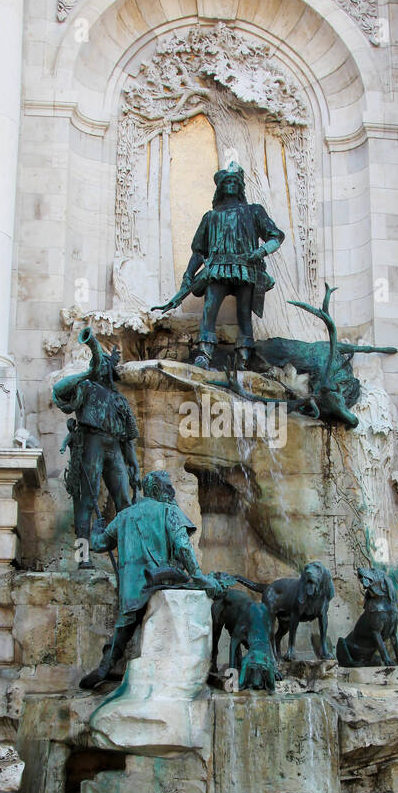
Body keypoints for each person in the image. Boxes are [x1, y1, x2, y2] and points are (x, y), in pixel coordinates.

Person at [79, 470, 218, 690]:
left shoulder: (125, 515)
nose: (172, 491)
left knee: (124, 625)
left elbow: (98, 544)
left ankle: (106, 665)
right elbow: (182, 546)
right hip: (162, 581)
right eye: (167, 486)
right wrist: (198, 575)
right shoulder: (169, 511)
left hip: (131, 590)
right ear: (156, 489)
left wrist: (96, 528)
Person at [153, 162, 284, 370]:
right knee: (209, 308)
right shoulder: (210, 217)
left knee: (243, 313)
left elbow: (276, 236)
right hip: (218, 268)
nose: (230, 184)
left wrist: (261, 251)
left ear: (240, 187)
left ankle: (244, 356)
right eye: (227, 182)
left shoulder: (254, 211)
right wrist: (188, 274)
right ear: (220, 187)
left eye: (234, 181)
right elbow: (199, 251)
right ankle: (205, 352)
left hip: (245, 268)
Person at [52, 327, 139, 564]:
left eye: (102, 365)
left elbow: (129, 438)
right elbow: (58, 391)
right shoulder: (86, 387)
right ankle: (83, 558)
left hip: (115, 449)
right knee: (86, 502)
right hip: (90, 443)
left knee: (124, 502)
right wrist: (86, 374)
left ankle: (128, 556)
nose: (99, 367)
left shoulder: (119, 400)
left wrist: (135, 468)